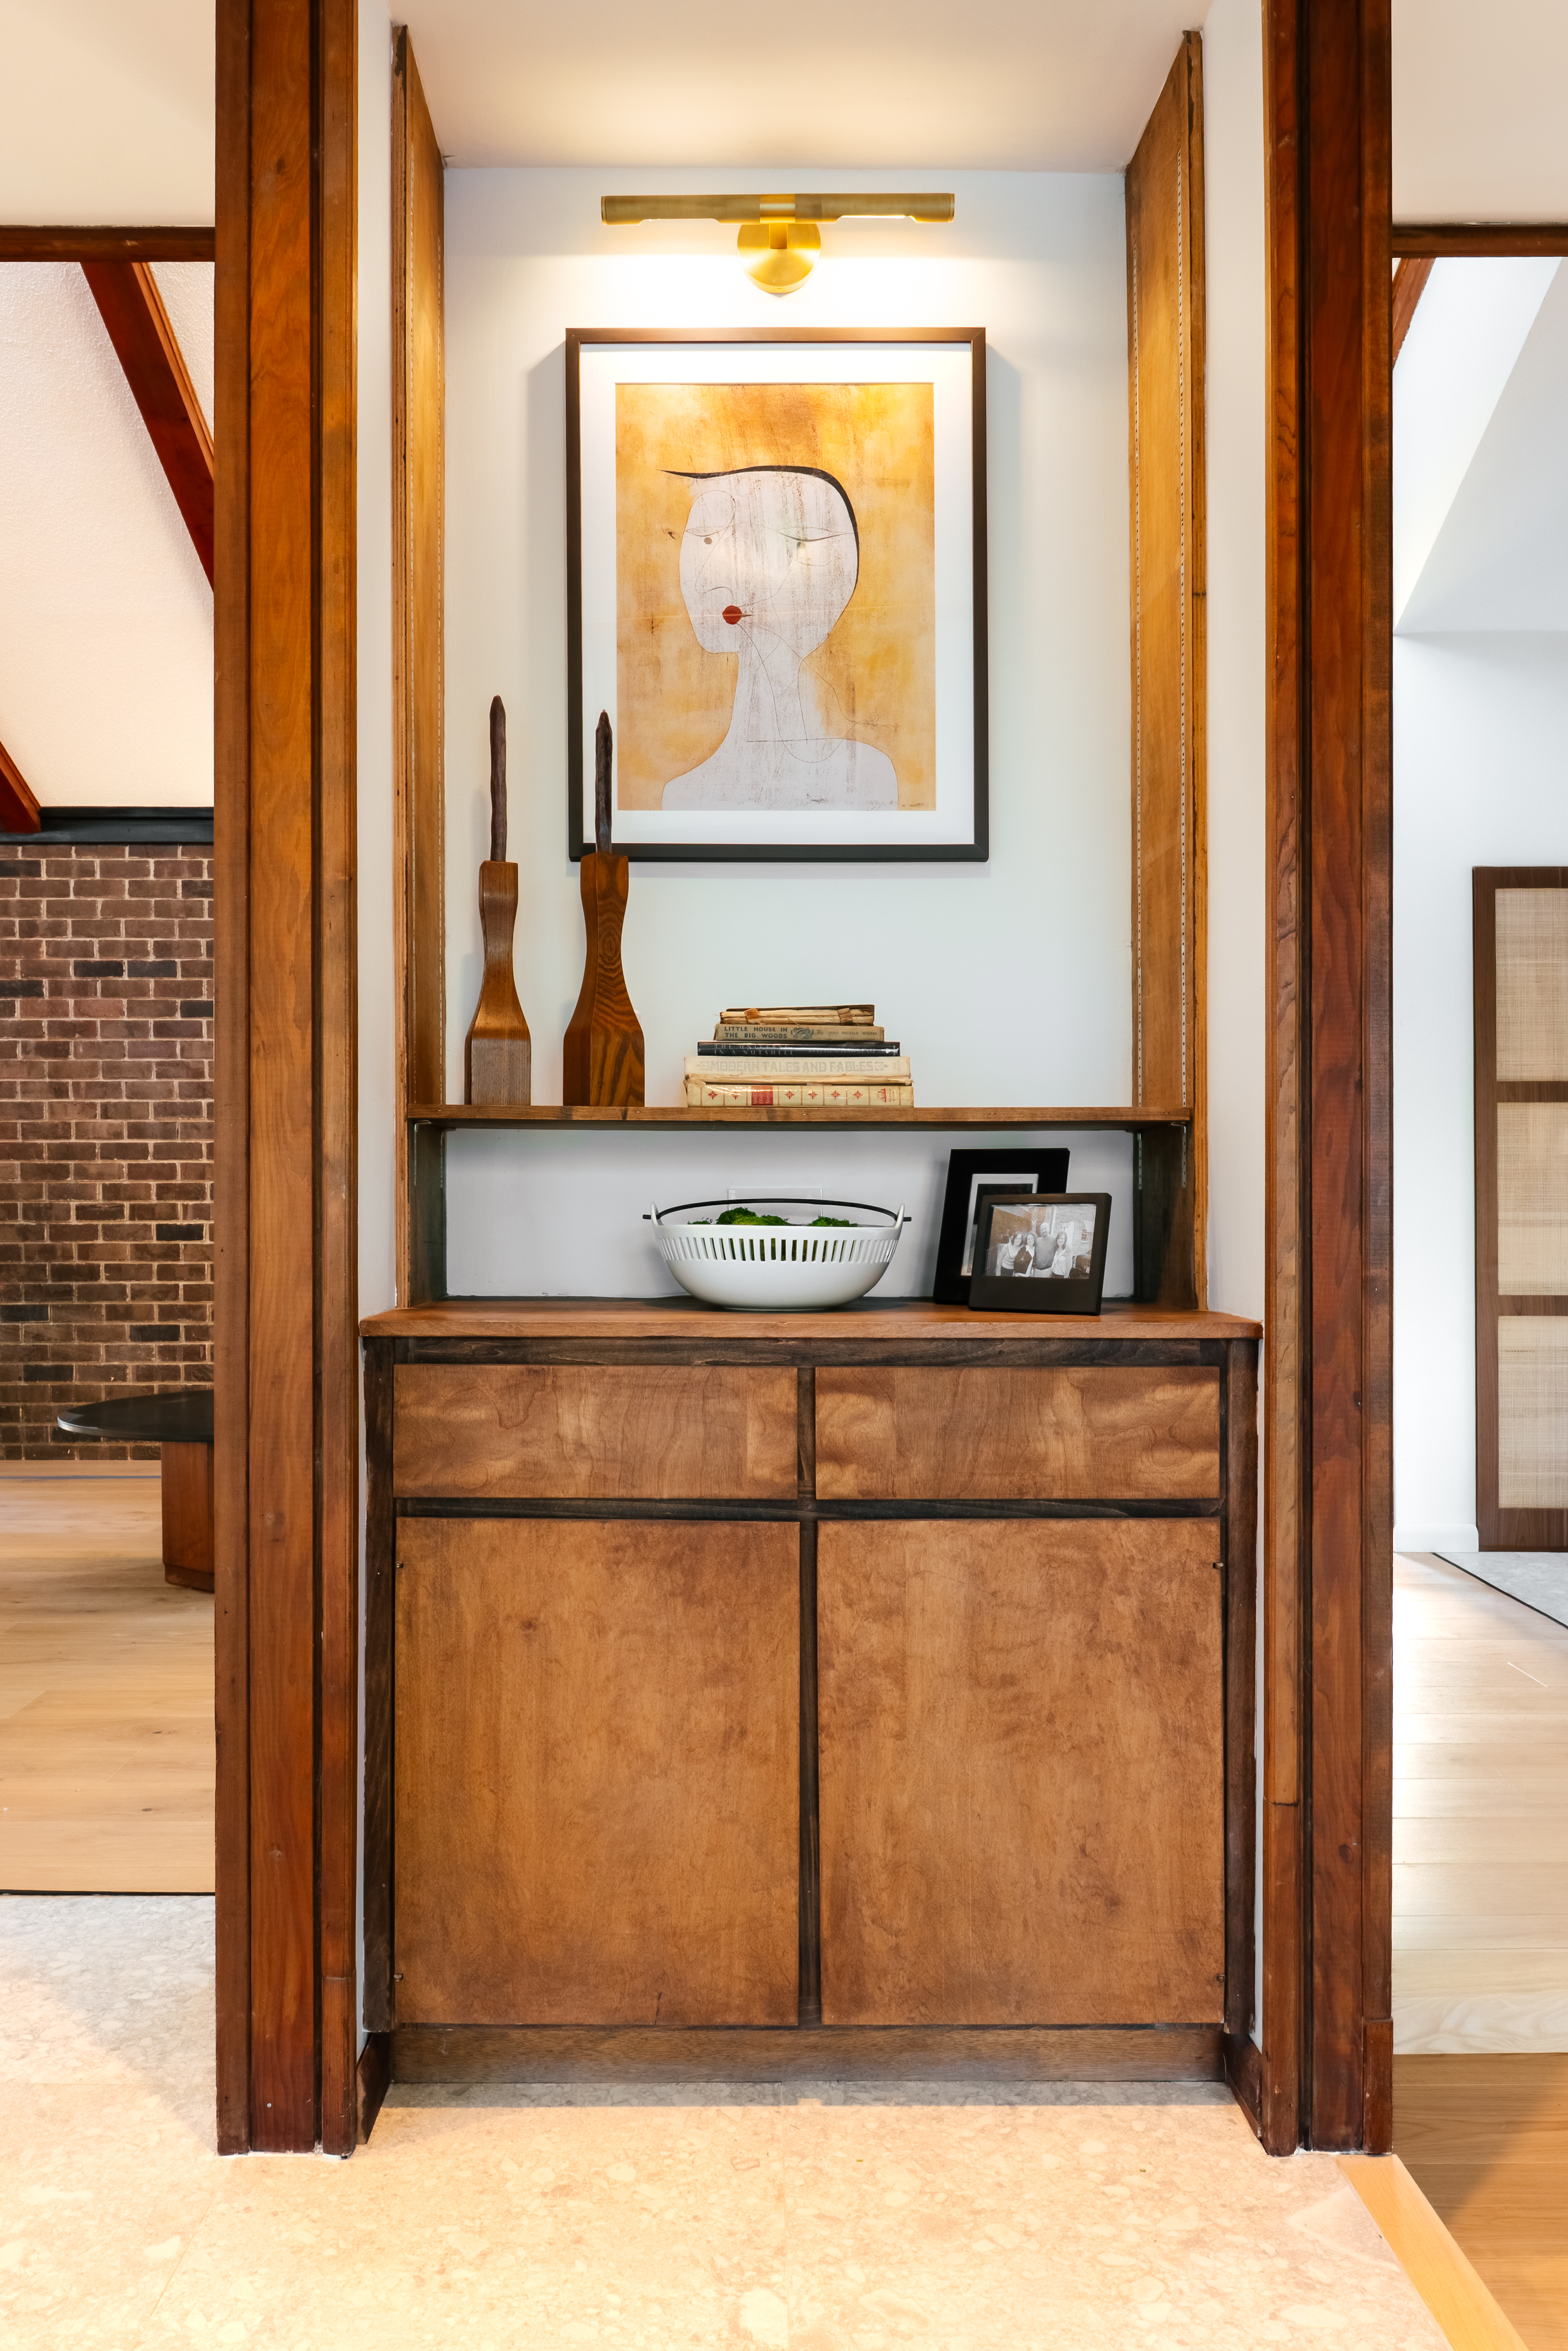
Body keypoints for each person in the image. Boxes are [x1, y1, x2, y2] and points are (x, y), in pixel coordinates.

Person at [661, 466, 898, 811]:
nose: (708, 578)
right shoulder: (681, 798)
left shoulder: (869, 778)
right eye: (707, 536)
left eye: (795, 543)